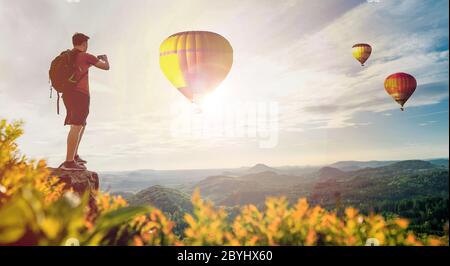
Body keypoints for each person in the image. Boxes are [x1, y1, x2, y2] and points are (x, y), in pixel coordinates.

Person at [58, 33, 110, 171]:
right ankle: (69, 162)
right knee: (77, 125)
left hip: (68, 95)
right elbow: (106, 67)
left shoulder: (71, 57)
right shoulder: (86, 56)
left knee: (79, 124)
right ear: (84, 43)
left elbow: (80, 69)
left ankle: (74, 156)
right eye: (86, 43)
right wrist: (105, 59)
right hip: (80, 94)